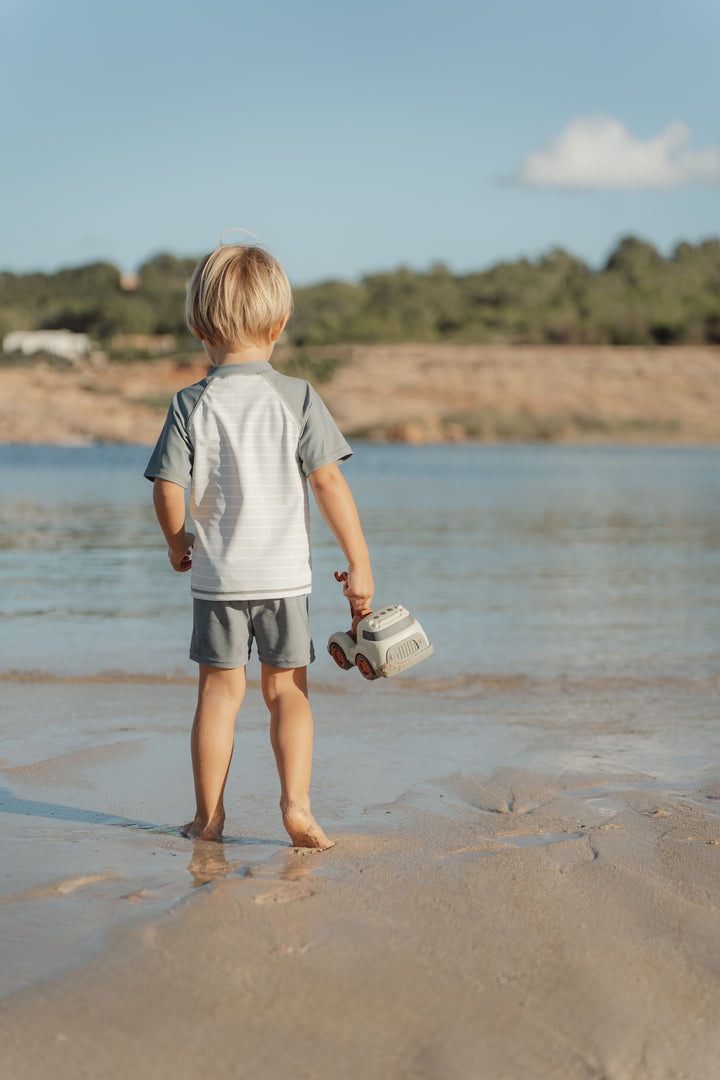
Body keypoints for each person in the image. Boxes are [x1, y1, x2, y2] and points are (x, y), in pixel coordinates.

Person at [144, 242, 373, 849]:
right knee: (286, 691)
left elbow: (167, 487)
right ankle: (297, 807)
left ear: (198, 327)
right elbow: (328, 482)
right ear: (279, 325)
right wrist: (359, 562)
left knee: (219, 696)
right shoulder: (298, 396)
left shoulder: (190, 403)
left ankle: (208, 819)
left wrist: (176, 541)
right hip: (284, 581)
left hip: (217, 579)